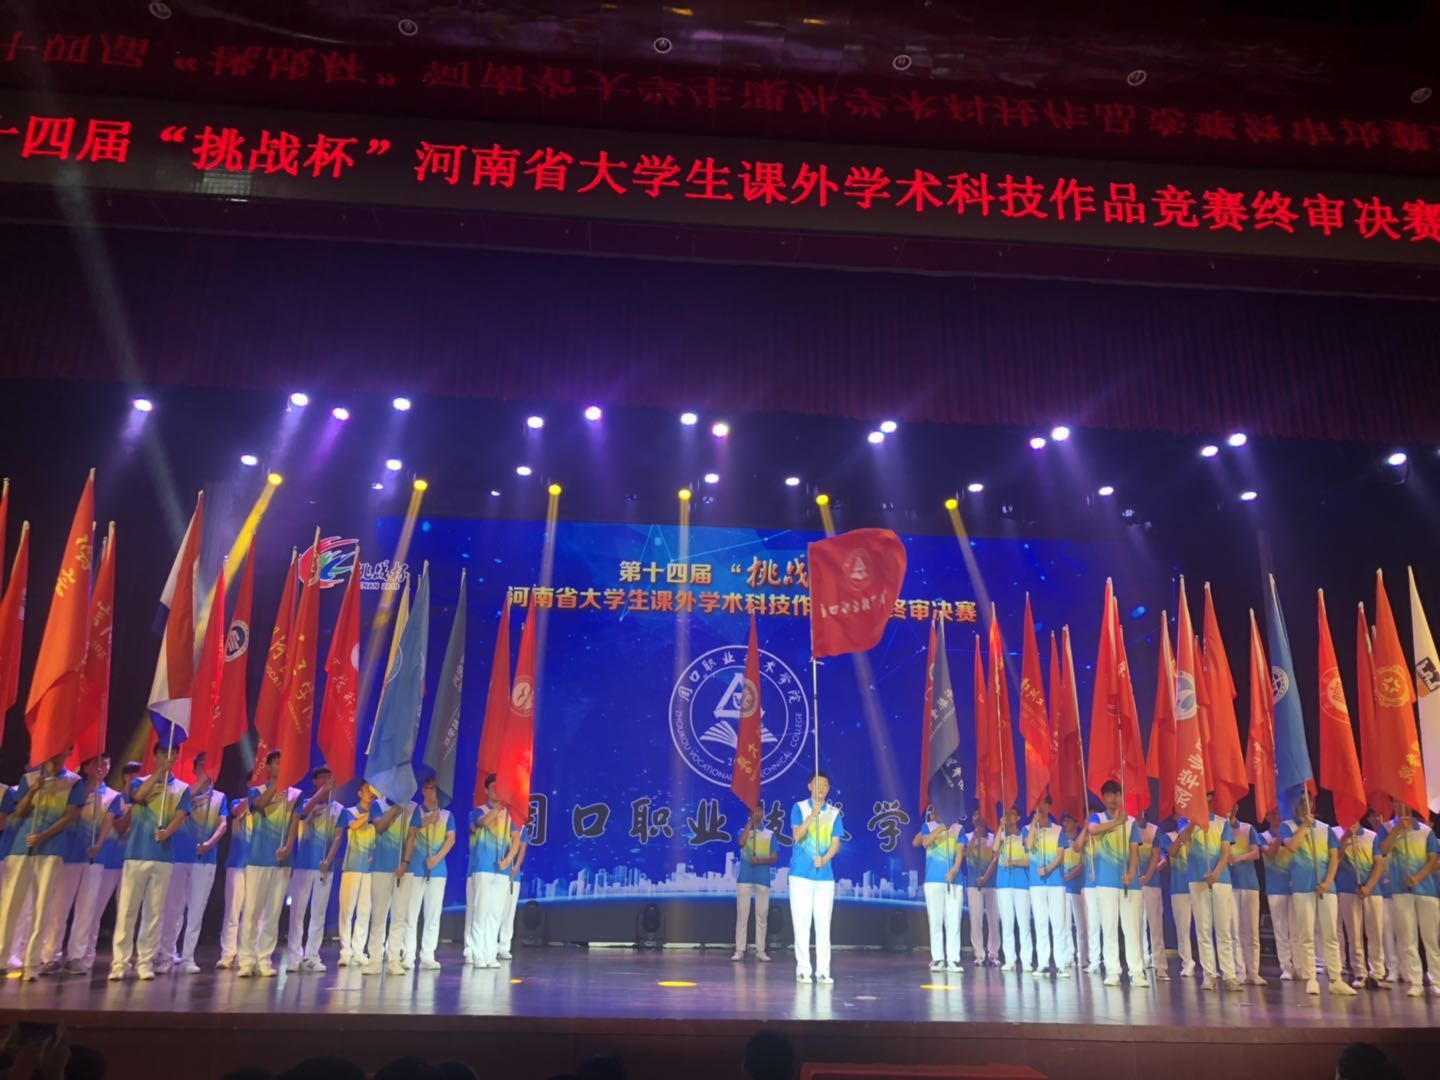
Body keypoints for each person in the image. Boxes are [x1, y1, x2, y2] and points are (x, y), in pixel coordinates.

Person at [0, 752, 85, 980]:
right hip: (21, 848)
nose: (55, 756)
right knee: (10, 905)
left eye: (61, 751)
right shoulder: (29, 779)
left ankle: (30, 964)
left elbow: (70, 816)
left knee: (41, 908)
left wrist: (42, 836)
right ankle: (2, 958)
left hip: (50, 849)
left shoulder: (74, 782)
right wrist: (33, 789)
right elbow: (20, 811)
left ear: (68, 752)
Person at [109, 742, 190, 981]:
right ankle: (120, 963)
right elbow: (137, 797)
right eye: (165, 753)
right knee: (127, 911)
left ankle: (145, 962)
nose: (170, 757)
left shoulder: (182, 788)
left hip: (163, 857)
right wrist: (159, 773)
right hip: (136, 854)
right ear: (155, 756)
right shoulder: (138, 782)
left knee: (154, 913)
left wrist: (167, 833)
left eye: (174, 753)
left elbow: (180, 817)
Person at [1281, 791, 1356, 996]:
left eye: (1307, 801)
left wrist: (1327, 882)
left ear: (1313, 803)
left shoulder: (1325, 829)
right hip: (1302, 887)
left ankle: (1336, 979)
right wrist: (1305, 826)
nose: (1304, 805)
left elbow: (1334, 857)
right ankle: (1311, 978)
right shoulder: (1287, 827)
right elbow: (1292, 846)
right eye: (1300, 802)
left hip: (1326, 888)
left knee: (1331, 934)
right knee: (1306, 935)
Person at [159, 751, 227, 975]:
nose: (207, 770)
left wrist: (210, 843)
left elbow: (223, 824)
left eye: (210, 766)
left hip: (205, 859)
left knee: (196, 911)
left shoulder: (219, 797)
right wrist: (200, 784)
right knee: (172, 909)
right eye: (203, 765)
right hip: (179, 856)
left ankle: (188, 957)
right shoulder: (182, 792)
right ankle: (166, 955)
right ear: (195, 768)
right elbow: (176, 812)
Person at [239, 750, 300, 978]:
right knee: (252, 911)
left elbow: (294, 824)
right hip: (258, 859)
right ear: (268, 767)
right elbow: (260, 805)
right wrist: (277, 785)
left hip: (282, 862)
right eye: (276, 763)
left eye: (284, 763)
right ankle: (246, 960)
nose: (280, 766)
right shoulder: (255, 791)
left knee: (273, 913)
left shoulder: (296, 795)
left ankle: (264, 959)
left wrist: (288, 847)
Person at [63, 754, 125, 974]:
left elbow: (109, 824)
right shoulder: (73, 790)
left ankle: (76, 956)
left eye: (106, 764)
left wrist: (98, 844)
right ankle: (48, 955)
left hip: (95, 859)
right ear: (86, 766)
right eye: (97, 763)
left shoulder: (112, 796)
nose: (102, 767)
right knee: (59, 909)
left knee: (86, 909)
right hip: (69, 855)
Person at [1086, 780, 1148, 988]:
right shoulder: (1098, 817)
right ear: (1103, 798)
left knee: (1132, 929)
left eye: (1117, 795)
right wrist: (1116, 822)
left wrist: (1131, 873)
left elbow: (1134, 851)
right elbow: (1092, 831)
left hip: (1129, 883)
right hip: (1105, 882)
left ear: (1122, 797)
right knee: (1109, 928)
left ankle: (1136, 972)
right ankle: (1112, 971)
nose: (1113, 799)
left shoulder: (1131, 822)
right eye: (1109, 795)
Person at [1377, 797, 1440, 998]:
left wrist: (1417, 878)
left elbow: (1433, 860)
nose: (1401, 805)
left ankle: (1437, 980)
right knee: (1408, 938)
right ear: (1393, 805)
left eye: (1404, 801)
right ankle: (1416, 982)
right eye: (1396, 802)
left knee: (1431, 939)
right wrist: (1397, 830)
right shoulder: (1386, 829)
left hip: (1426, 891)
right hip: (1400, 890)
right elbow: (1383, 851)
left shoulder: (1425, 831)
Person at [1175, 799, 1240, 991]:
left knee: (1223, 930)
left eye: (1208, 798)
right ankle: (1209, 975)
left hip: (1221, 880)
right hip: (1197, 879)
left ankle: (1229, 975)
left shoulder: (1222, 822)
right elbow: (1181, 840)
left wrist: (1216, 873)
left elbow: (1226, 852)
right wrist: (1194, 821)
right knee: (1203, 930)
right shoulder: (1186, 821)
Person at [285, 766, 345, 973]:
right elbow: (301, 814)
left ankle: (311, 956)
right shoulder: (305, 803)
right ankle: (294, 956)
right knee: (297, 913)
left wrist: (328, 860)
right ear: (315, 781)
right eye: (324, 777)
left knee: (318, 913)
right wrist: (321, 793)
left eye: (330, 777)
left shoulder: (339, 809)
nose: (328, 781)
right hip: (303, 865)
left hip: (324, 868)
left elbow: (338, 837)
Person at [788, 770, 841, 984]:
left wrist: (825, 859)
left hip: (824, 878)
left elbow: (836, 843)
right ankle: (803, 969)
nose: (821, 787)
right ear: (810, 786)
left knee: (823, 925)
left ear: (828, 789)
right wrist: (812, 815)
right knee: (801, 924)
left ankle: (823, 971)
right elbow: (797, 835)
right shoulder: (799, 808)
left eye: (825, 784)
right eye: (817, 783)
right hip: (800, 876)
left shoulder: (834, 813)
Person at [400, 776, 455, 971]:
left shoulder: (447, 815)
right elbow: (409, 834)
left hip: (437, 870)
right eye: (429, 788)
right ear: (423, 790)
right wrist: (426, 822)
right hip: (415, 869)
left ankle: (428, 955)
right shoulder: (415, 811)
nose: (433, 792)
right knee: (411, 915)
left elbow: (451, 839)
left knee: (433, 915)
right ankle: (408, 955)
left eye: (435, 789)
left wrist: (436, 859)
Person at [469, 774, 520, 970]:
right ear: (486, 790)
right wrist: (498, 808)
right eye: (493, 788)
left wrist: (508, 860)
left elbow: (516, 839)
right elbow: (482, 823)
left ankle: (490, 955)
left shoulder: (510, 815)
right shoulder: (478, 811)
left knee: (495, 915)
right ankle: (478, 954)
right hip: (483, 868)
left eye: (500, 788)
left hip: (502, 870)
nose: (497, 792)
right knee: (481, 913)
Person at [362, 782, 410, 976]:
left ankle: (393, 960)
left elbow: (412, 836)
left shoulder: (412, 808)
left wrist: (405, 863)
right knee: (379, 916)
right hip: (381, 867)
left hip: (404, 870)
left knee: (399, 917)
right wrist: (397, 808)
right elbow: (380, 827)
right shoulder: (377, 805)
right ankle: (374, 959)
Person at [1335, 817, 1387, 989]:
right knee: (1354, 935)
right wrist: (1345, 839)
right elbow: (1335, 860)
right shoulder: (1336, 834)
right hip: (1347, 890)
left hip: (1372, 891)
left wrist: (1368, 886)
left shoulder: (1372, 836)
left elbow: (1379, 864)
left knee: (1375, 933)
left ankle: (1377, 973)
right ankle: (1360, 973)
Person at [913, 804, 963, 972]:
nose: (935, 811)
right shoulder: (928, 826)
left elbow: (961, 851)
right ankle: (938, 958)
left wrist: (954, 870)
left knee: (953, 921)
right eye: (934, 808)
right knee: (936, 920)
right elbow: (925, 842)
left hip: (954, 881)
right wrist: (941, 828)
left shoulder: (958, 829)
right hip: (933, 880)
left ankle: (953, 959)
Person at [1026, 796, 1066, 977]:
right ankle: (1042, 963)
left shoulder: (1058, 830)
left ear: (1049, 807)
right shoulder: (1027, 829)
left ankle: (1061, 964)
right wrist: (1034, 825)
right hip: (1036, 884)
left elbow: (1060, 856)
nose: (1040, 807)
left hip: (1056, 883)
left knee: (1058, 924)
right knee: (1041, 924)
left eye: (1043, 804)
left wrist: (1048, 869)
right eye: (1037, 803)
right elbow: (1028, 846)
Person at [337, 784, 377, 967]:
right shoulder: (349, 811)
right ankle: (345, 951)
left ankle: (359, 950)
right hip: (352, 866)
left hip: (370, 869)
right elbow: (354, 825)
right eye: (367, 790)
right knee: (347, 910)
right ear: (360, 793)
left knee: (364, 911)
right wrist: (371, 814)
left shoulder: (378, 815)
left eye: (373, 791)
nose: (371, 794)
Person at [1225, 806, 1265, 986]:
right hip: (1230, 886)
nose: (1230, 809)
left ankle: (1253, 972)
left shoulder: (1247, 828)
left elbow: (1256, 853)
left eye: (1233, 805)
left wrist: (1237, 858)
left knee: (1252, 931)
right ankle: (1240, 971)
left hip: (1249, 884)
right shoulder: (1220, 829)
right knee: (1235, 931)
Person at [991, 805, 1031, 973]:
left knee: (1024, 924)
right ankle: (1009, 959)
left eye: (1012, 813)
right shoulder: (1002, 837)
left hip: (1022, 885)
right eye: (1006, 814)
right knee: (1007, 924)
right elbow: (994, 849)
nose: (1008, 816)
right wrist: (1000, 827)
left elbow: (1028, 861)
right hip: (1003, 884)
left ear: (1018, 817)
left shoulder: (1024, 835)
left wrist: (1013, 862)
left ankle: (1027, 961)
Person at [735, 802, 777, 962]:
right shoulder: (742, 831)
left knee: (762, 916)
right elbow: (740, 843)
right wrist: (749, 824)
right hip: (745, 878)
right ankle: (740, 950)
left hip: (762, 879)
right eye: (753, 811)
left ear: (763, 813)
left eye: (759, 810)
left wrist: (760, 860)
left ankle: (760, 950)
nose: (757, 813)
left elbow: (774, 857)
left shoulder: (769, 834)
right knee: (742, 915)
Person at [1260, 810, 1295, 980]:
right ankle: (1286, 967)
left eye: (1279, 813)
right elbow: (1271, 854)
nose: (1278, 817)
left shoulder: (1293, 834)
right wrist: (1280, 836)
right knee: (1281, 931)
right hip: (1275, 888)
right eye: (1273, 814)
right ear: (1267, 817)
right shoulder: (1263, 836)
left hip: (1295, 886)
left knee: (1297, 930)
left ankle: (1300, 965)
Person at [217, 795, 250, 969]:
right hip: (236, 862)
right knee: (232, 911)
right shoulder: (238, 802)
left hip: (257, 864)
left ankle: (245, 953)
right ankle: (228, 953)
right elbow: (236, 811)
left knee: (253, 914)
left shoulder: (268, 805)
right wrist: (252, 795)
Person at [963, 809, 999, 967]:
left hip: (991, 884)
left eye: (981, 814)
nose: (978, 817)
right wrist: (975, 838)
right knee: (976, 919)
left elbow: (996, 859)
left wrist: (985, 877)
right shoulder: (967, 837)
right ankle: (979, 954)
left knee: (993, 919)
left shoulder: (993, 838)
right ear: (972, 818)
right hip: (973, 884)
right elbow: (965, 853)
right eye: (975, 814)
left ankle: (993, 954)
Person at [1135, 811, 1168, 980]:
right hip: (1134, 886)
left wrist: (1147, 877)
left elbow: (1156, 857)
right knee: (1136, 926)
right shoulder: (1127, 827)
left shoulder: (1153, 830)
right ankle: (1139, 965)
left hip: (1152, 884)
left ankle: (1160, 966)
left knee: (1155, 927)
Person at [1160, 820, 1195, 977]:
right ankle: (1187, 963)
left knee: (1205, 928)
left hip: (1199, 885)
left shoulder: (1200, 834)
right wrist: (1183, 836)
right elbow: (1172, 852)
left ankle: (1210, 966)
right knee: (1183, 929)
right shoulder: (1168, 836)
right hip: (1179, 887)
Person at [1060, 814, 1089, 972]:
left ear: (1076, 823)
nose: (1065, 823)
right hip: (1063, 889)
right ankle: (1068, 955)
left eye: (1069, 820)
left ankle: (1083, 957)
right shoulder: (1061, 840)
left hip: (1077, 887)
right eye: (1064, 820)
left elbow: (1083, 863)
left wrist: (1068, 876)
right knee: (1064, 925)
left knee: (1081, 925)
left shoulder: (1081, 840)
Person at [497, 837, 527, 960]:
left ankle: (504, 947)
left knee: (509, 913)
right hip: (496, 874)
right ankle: (490, 945)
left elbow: (522, 848)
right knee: (494, 911)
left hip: (513, 877)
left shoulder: (522, 829)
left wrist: (516, 867)